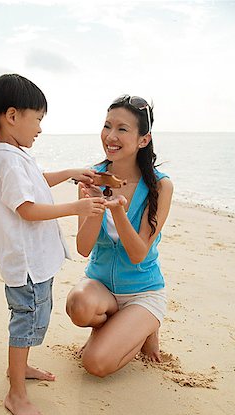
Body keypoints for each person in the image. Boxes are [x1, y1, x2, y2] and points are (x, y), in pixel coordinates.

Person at [0, 74, 105, 415]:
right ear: (12, 116)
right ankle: (15, 392)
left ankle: (20, 367)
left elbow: (37, 180)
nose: (39, 128)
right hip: (27, 264)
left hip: (35, 261)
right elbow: (27, 209)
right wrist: (75, 209)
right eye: (38, 119)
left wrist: (70, 173)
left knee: (35, 318)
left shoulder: (17, 155)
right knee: (26, 320)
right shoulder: (8, 160)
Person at [66, 94, 173, 378]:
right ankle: (115, 326)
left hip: (142, 291)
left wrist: (118, 212)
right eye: (107, 126)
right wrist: (97, 207)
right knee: (78, 306)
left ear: (143, 140)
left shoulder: (160, 187)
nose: (111, 136)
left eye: (122, 129)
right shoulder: (92, 178)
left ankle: (146, 327)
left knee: (96, 364)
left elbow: (139, 254)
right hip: (100, 286)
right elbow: (83, 248)